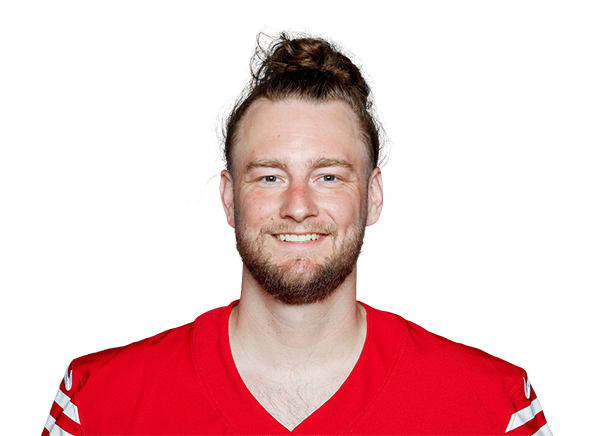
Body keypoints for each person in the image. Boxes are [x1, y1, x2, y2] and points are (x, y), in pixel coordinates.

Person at [43, 27, 550, 435]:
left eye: (328, 176)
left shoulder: (493, 410)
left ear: (373, 198)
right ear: (227, 198)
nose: (298, 207)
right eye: (270, 176)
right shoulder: (97, 405)